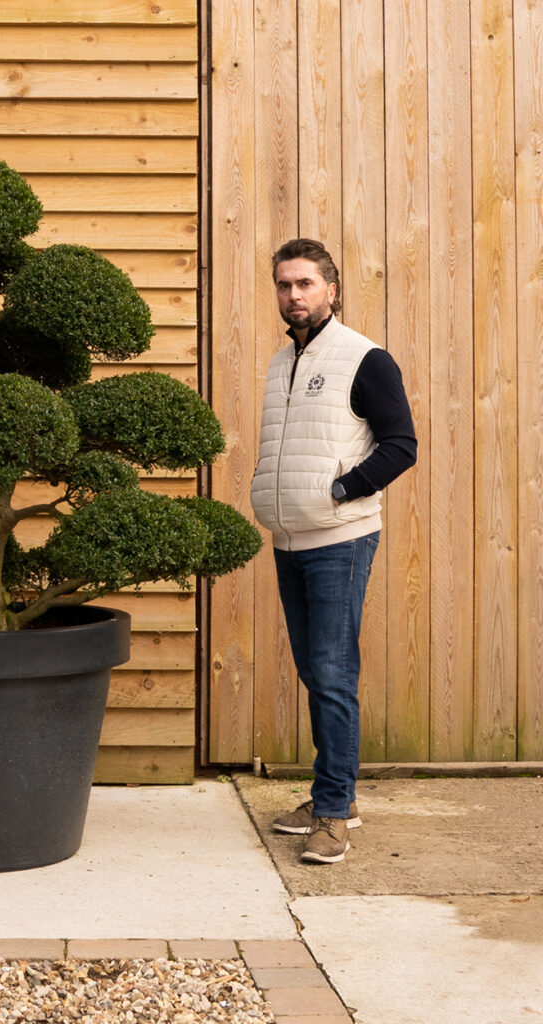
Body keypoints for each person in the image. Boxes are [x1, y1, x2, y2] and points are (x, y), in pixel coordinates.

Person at [249, 238, 417, 864]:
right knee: (315, 670)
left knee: (333, 673)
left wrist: (340, 491)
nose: (294, 296)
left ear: (332, 289)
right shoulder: (278, 363)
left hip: (339, 540)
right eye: (285, 285)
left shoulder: (365, 358)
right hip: (288, 539)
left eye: (306, 284)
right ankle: (335, 796)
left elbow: (401, 445)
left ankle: (332, 814)